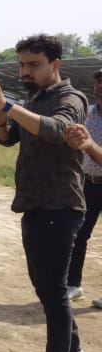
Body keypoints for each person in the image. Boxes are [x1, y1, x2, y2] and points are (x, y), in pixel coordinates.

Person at [0, 34, 91, 352]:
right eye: (23, 65)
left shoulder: (70, 98)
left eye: (34, 65)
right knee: (46, 287)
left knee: (54, 291)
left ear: (55, 64)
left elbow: (58, 130)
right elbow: (10, 138)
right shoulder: (35, 99)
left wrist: (8, 105)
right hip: (36, 203)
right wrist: (1, 121)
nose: (26, 72)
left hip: (59, 204)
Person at [63, 68, 102, 311]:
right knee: (78, 235)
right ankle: (73, 284)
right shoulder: (87, 114)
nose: (100, 86)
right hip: (87, 183)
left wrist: (88, 145)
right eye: (98, 82)